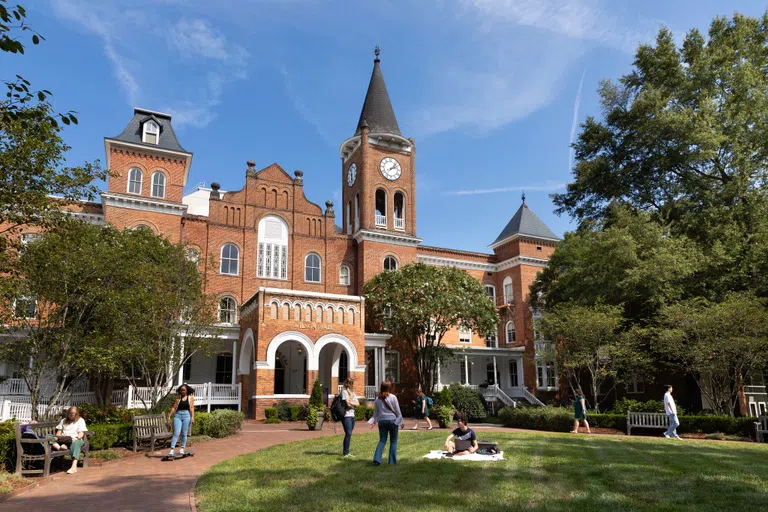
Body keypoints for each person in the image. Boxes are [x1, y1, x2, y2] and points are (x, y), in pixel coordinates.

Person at [368, 380, 403, 465]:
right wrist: (400, 421)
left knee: (382, 440)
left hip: (382, 422)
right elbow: (398, 412)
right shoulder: (393, 397)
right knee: (393, 441)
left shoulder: (377, 399)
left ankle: (377, 459)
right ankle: (392, 462)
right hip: (392, 421)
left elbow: (376, 413)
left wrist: (373, 421)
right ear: (390, 387)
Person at [51, 406, 88, 474]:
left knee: (76, 443)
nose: (71, 415)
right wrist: (58, 438)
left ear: (76, 414)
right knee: (49, 436)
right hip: (64, 440)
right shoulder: (64, 420)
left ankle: (74, 466)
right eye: (70, 414)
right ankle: (60, 448)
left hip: (74, 439)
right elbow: (59, 432)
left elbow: (81, 433)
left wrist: (77, 438)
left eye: (73, 414)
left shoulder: (80, 420)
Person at [167, 383, 195, 456]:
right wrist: (169, 416)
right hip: (177, 416)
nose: (182, 391)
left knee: (184, 433)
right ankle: (172, 449)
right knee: (176, 432)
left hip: (186, 416)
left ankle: (182, 448)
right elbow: (174, 407)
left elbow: (192, 408)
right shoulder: (178, 398)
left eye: (184, 390)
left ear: (187, 390)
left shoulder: (190, 397)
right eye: (181, 390)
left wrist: (192, 417)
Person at [340, 377, 359, 457]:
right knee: (348, 433)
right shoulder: (344, 392)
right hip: (346, 416)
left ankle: (347, 452)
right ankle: (345, 453)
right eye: (351, 384)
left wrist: (351, 402)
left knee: (349, 434)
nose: (352, 385)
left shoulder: (352, 393)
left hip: (352, 415)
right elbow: (347, 404)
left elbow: (358, 404)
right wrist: (351, 402)